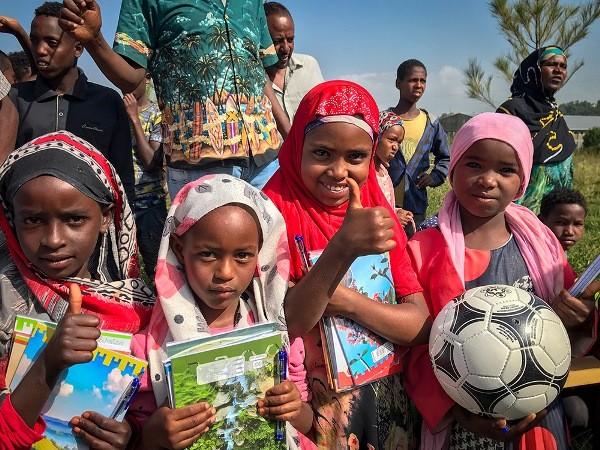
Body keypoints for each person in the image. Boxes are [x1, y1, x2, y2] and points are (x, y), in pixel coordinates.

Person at [403, 112, 596, 449]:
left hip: (537, 413)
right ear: (453, 169)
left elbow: (566, 321)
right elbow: (415, 341)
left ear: (522, 179)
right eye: (474, 165)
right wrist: (459, 412)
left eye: (506, 170)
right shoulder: (424, 248)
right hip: (461, 420)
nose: (487, 180)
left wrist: (578, 316)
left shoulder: (541, 244)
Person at [263, 80, 431, 449]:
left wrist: (350, 302)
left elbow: (419, 324)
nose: (339, 172)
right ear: (297, 149)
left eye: (355, 157)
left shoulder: (378, 214)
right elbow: (285, 323)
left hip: (383, 395)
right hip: (302, 406)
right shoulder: (269, 214)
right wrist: (341, 249)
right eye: (322, 153)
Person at [125, 174, 313, 449]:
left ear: (260, 254)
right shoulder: (147, 349)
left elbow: (306, 423)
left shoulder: (277, 335)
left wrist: (294, 409)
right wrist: (154, 434)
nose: (225, 273)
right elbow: (135, 435)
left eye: (242, 256)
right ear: (179, 249)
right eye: (208, 254)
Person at [0, 131, 155, 448]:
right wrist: (49, 361)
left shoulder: (141, 310)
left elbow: (151, 411)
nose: (53, 239)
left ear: (105, 218)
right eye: (33, 220)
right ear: (11, 220)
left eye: (74, 219)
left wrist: (130, 437)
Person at [59, 0, 292, 199]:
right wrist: (94, 40)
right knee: (209, 249)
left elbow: (258, 72)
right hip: (201, 164)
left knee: (273, 248)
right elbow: (131, 78)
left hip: (267, 161)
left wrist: (291, 139)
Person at [5, 2, 135, 202]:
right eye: (34, 41)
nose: (40, 50)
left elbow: (122, 179)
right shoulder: (15, 99)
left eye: (52, 42)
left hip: (92, 226)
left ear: (78, 48)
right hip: (27, 223)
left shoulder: (107, 102)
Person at [497, 46, 575, 214]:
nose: (558, 70)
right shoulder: (512, 111)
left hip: (554, 217)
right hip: (518, 214)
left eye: (563, 66)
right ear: (534, 70)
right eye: (551, 64)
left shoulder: (556, 116)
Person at [385, 59, 450, 236]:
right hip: (384, 202)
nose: (418, 85)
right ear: (398, 83)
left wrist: (435, 176)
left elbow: (446, 157)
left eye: (423, 81)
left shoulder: (431, 123)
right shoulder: (384, 121)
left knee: (413, 249)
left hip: (415, 203)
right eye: (413, 80)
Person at [123, 74, 166, 280]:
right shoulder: (116, 112)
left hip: (150, 206)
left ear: (147, 78)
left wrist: (134, 119)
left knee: (156, 269)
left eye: (130, 77)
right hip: (123, 205)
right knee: (124, 269)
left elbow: (151, 162)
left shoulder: (157, 115)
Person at [264, 2, 324, 124]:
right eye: (277, 41)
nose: (286, 48)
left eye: (290, 40)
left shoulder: (309, 66)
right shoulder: (252, 80)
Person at [376, 110, 415, 231]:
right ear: (377, 136)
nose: (395, 147)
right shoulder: (366, 174)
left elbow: (386, 205)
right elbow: (368, 212)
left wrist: (397, 211)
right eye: (391, 139)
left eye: (399, 142)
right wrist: (393, 218)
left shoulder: (384, 172)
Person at [539, 187, 587, 252]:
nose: (570, 232)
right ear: (541, 221)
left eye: (577, 224)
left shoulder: (557, 256)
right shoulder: (530, 255)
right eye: (561, 222)